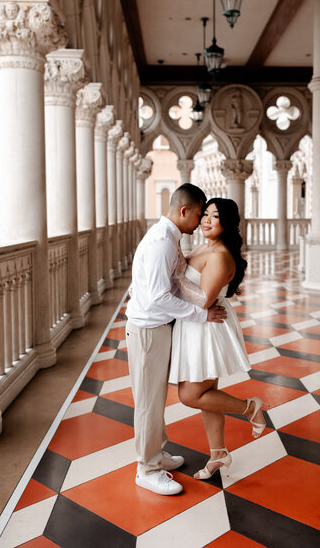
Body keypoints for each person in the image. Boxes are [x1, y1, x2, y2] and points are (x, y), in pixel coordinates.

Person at [126, 183, 227, 496]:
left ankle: (156, 454)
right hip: (148, 331)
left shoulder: (168, 238)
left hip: (155, 329)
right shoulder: (161, 243)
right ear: (184, 211)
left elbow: (154, 284)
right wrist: (201, 314)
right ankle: (147, 469)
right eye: (198, 214)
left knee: (155, 399)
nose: (199, 222)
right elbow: (157, 296)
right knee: (147, 403)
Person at [169, 198, 268, 479]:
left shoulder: (220, 255)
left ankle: (250, 408)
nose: (207, 220)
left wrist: (178, 275)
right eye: (206, 214)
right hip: (198, 326)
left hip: (207, 326)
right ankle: (218, 454)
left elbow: (203, 300)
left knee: (191, 395)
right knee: (207, 395)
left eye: (215, 215)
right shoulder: (205, 246)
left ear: (227, 223)